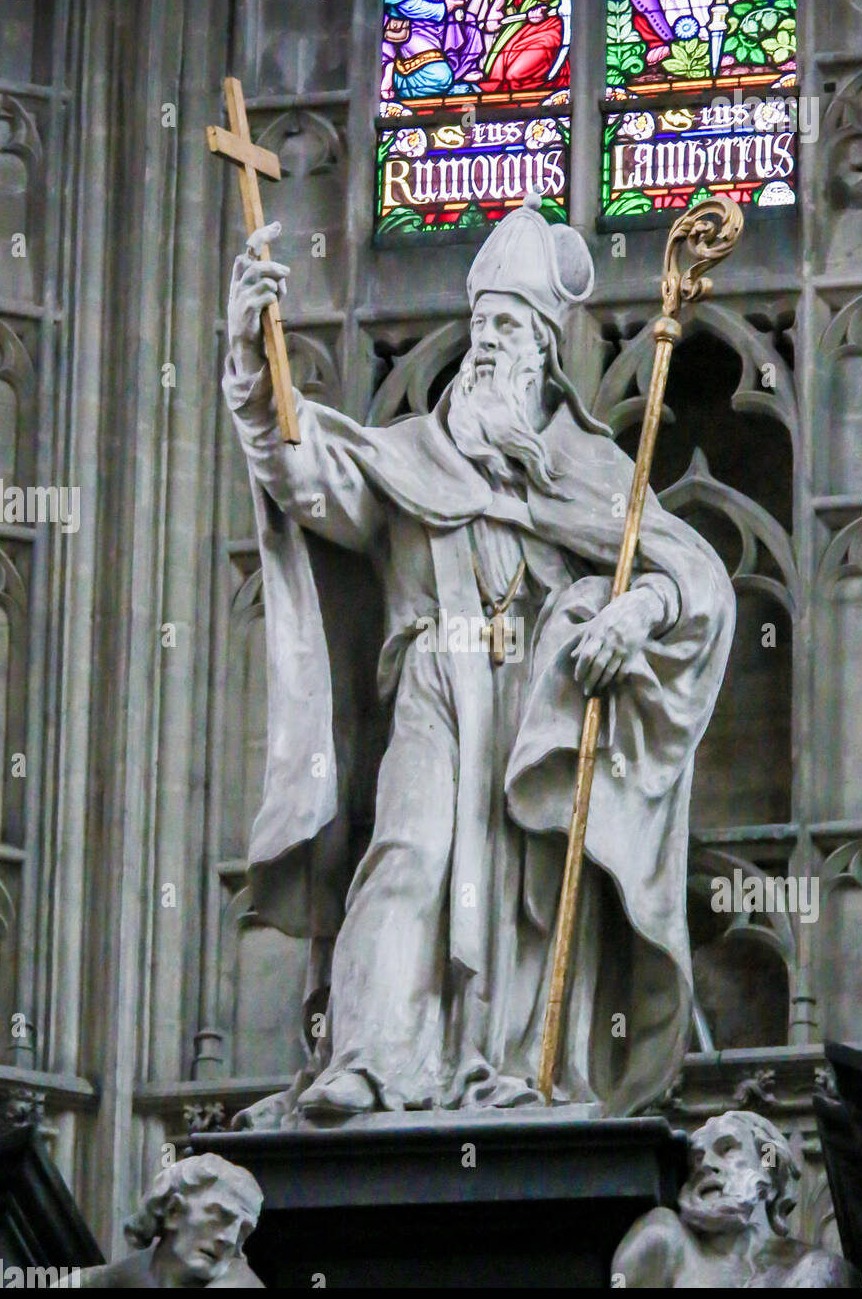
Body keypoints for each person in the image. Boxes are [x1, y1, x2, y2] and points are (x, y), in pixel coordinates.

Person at [224, 195, 735, 1121]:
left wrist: (634, 610)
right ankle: (372, 1059)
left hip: (539, 699)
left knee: (528, 897)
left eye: (507, 324)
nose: (488, 342)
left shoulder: (588, 468)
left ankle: (516, 1071)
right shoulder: (409, 455)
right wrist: (255, 369)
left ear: (542, 343)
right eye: (481, 323)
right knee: (410, 851)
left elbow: (694, 577)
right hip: (432, 680)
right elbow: (305, 479)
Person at [612, 1111, 858, 1287]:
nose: (706, 1165)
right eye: (697, 1158)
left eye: (727, 1149)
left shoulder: (814, 1267)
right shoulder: (666, 1239)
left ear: (768, 1168)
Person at [64, 1154, 264, 1288]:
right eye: (220, 1217)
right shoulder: (93, 1283)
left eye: (242, 1231)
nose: (229, 1238)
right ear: (173, 1211)